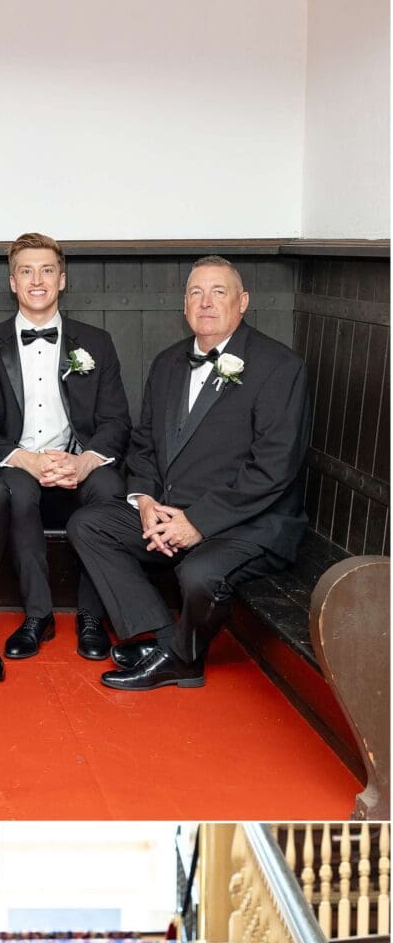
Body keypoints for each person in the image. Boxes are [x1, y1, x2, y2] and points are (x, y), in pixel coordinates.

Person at [68, 257, 310, 692]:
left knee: (198, 574)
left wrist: (197, 523)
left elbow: (274, 468)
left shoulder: (280, 367)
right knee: (89, 525)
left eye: (219, 292)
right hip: (170, 511)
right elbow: (143, 445)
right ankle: (167, 641)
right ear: (184, 306)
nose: (206, 302)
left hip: (247, 523)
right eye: (196, 293)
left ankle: (185, 661)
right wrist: (144, 501)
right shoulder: (167, 365)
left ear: (243, 303)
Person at [0, 233, 131, 668]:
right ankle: (38, 615)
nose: (37, 280)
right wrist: (27, 460)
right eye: (26, 271)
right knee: (16, 493)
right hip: (19, 460)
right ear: (12, 283)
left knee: (111, 487)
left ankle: (92, 615)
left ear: (62, 280)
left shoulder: (98, 341)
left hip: (79, 459)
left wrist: (83, 461)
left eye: (47, 270)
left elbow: (116, 422)